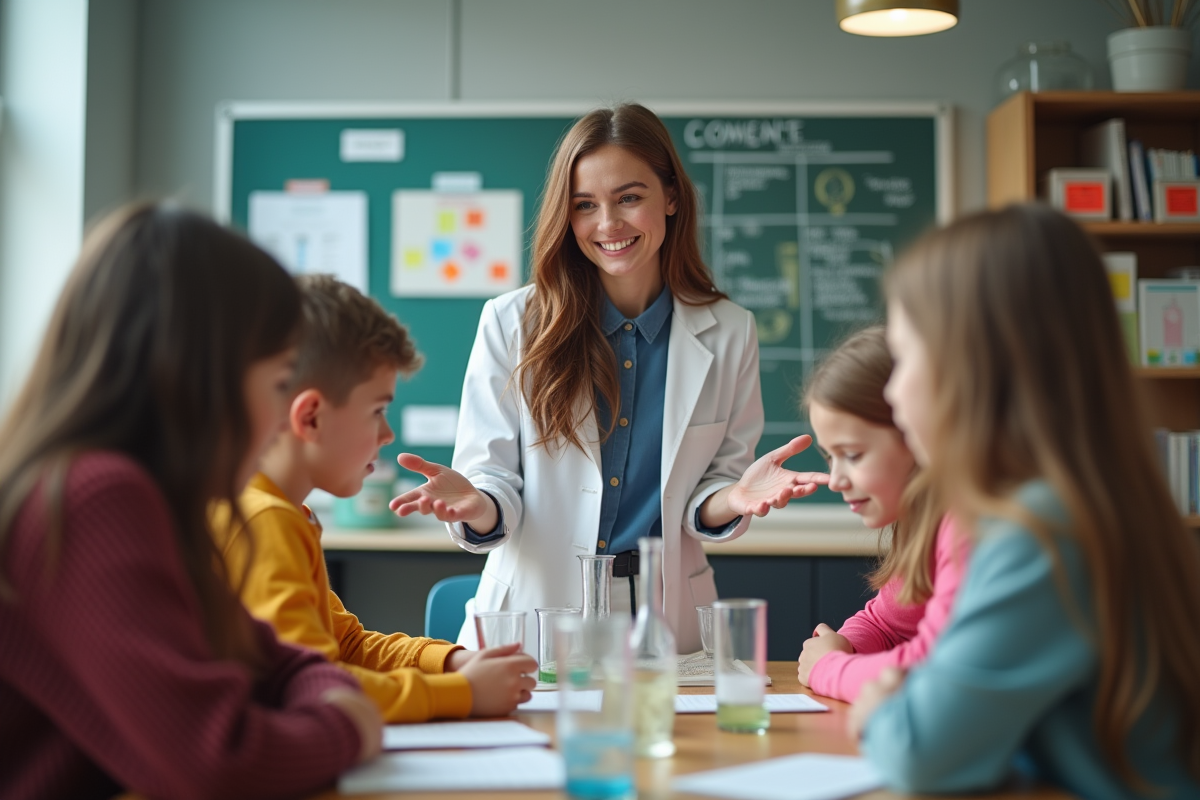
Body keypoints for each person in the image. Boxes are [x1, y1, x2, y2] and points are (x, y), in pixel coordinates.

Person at [390, 103, 827, 651]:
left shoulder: (732, 331)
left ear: (670, 198)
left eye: (629, 197)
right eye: (585, 206)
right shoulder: (510, 322)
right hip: (534, 614)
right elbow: (492, 479)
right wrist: (477, 505)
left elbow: (707, 494)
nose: (608, 224)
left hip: (664, 616)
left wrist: (735, 497)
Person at [0, 204, 382, 800]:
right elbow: (221, 763)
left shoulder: (153, 504)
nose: (280, 417)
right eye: (279, 379)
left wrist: (327, 693)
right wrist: (345, 725)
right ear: (209, 374)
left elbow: (276, 660)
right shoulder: (95, 500)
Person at [851, 204, 1200, 798]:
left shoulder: (1042, 530)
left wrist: (880, 710)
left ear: (974, 366)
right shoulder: (1088, 500)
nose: (890, 389)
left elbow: (920, 753)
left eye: (905, 359)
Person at [211, 274, 535, 723]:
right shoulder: (265, 520)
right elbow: (312, 689)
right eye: (377, 411)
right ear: (311, 417)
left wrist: (452, 663)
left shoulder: (278, 510)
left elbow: (349, 647)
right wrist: (458, 693)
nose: (388, 434)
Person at [795, 326, 968, 702]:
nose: (836, 479)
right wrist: (843, 646)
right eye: (830, 456)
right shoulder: (922, 522)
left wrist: (830, 668)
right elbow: (885, 624)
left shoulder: (966, 522)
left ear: (915, 432)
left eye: (853, 455)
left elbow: (936, 673)